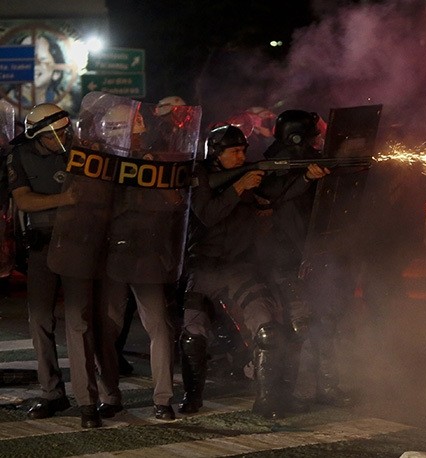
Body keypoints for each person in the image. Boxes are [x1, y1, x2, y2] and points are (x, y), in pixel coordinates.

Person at [180, 124, 328, 419]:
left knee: (267, 330)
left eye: (243, 151)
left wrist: (307, 178)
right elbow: (207, 214)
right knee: (193, 333)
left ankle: (267, 400)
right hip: (204, 267)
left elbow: (278, 195)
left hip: (240, 268)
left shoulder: (248, 176)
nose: (240, 156)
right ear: (216, 153)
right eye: (234, 152)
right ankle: (192, 397)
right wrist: (238, 187)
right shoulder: (199, 175)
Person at [6, 103, 102, 428]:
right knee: (39, 320)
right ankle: (52, 393)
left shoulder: (82, 151)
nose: (62, 139)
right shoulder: (19, 156)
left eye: (65, 131)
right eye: (54, 135)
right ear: (36, 135)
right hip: (42, 244)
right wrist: (65, 199)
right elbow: (23, 200)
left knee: (78, 322)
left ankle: (87, 401)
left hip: (77, 243)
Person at [92, 102, 184, 421]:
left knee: (159, 325)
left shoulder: (153, 160)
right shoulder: (103, 165)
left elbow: (177, 202)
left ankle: (163, 399)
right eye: (133, 129)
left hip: (146, 253)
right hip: (113, 254)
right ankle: (109, 395)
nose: (137, 135)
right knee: (107, 328)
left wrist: (153, 172)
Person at [256, 109, 352, 407]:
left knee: (327, 319)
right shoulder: (272, 164)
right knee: (294, 326)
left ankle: (327, 387)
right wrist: (305, 179)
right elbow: (272, 194)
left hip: (313, 253)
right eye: (311, 138)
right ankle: (282, 393)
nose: (316, 143)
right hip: (284, 258)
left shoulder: (306, 160)